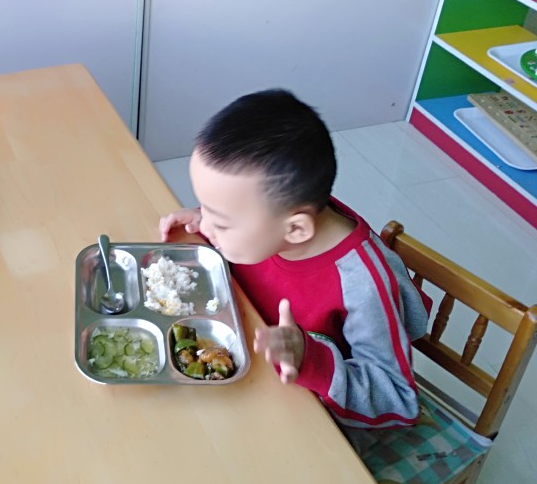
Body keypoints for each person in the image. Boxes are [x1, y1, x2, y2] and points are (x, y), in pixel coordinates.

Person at [159, 89, 429, 429]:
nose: (207, 226)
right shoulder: (273, 222)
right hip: (251, 365)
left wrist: (308, 357)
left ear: (297, 230)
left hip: (320, 415)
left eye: (222, 222)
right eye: (206, 207)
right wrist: (207, 218)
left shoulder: (362, 286)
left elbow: (399, 400)